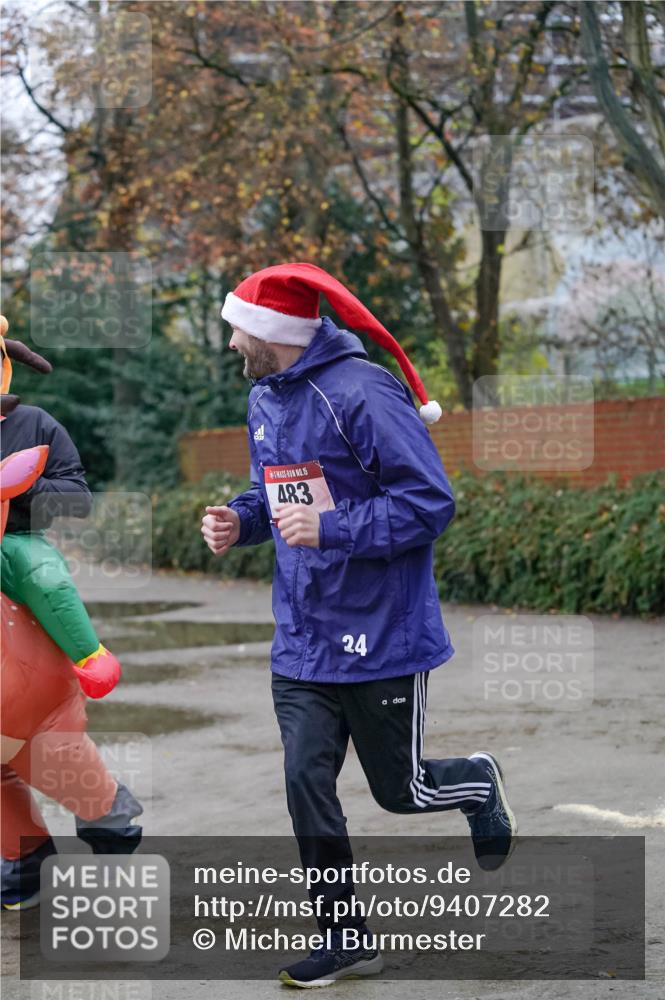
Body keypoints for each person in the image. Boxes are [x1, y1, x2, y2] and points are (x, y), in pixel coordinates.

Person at [201, 263, 517, 988]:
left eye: (235, 328)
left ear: (272, 332)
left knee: (398, 791)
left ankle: (473, 784)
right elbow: (272, 493)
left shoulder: (363, 392)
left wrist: (333, 527)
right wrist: (237, 521)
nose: (229, 343)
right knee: (304, 784)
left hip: (379, 635)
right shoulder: (263, 396)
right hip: (302, 639)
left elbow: (429, 503)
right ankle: (345, 938)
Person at [0, 319, 120, 698]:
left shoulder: (35, 424)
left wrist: (21, 486)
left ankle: (89, 655)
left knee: (46, 574)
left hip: (15, 541)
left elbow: (78, 498)